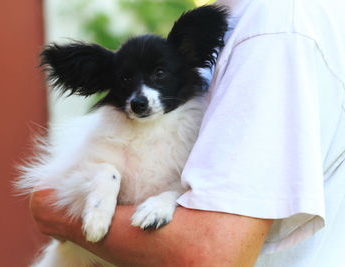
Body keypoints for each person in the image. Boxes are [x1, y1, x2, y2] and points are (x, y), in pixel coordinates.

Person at [30, 0, 345, 266]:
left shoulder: (272, 30)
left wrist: (54, 213)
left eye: (158, 74)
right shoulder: (259, 23)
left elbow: (211, 251)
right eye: (126, 79)